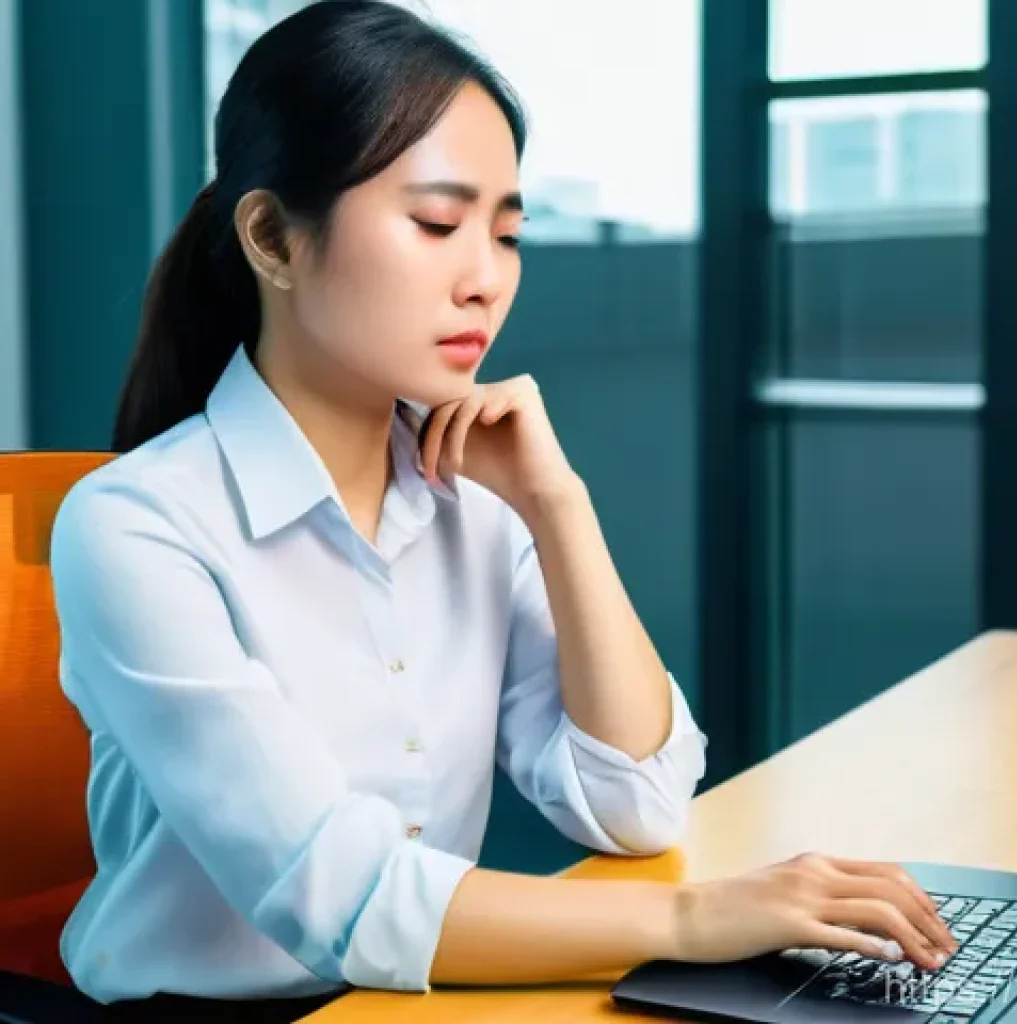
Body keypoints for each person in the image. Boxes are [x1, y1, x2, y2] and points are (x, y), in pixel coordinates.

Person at [48, 0, 958, 1012]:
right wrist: (700, 920)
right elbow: (342, 897)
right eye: (437, 224)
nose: (485, 279)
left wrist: (555, 507)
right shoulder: (132, 524)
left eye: (508, 233)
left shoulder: (473, 508)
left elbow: (637, 806)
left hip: (423, 997)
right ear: (272, 237)